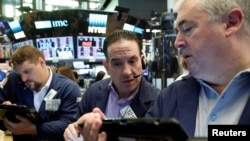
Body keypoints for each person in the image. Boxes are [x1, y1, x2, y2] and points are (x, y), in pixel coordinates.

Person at [65, 0, 250, 140]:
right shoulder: (171, 97)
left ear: (231, 22)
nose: (177, 42)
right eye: (117, 63)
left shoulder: (157, 96)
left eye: (187, 29)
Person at [63, 29, 161, 140]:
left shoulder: (158, 100)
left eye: (132, 61)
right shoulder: (93, 92)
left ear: (142, 61)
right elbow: (76, 126)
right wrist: (72, 131)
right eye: (117, 64)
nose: (127, 72)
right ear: (107, 67)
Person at [0, 45, 82, 141]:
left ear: (41, 62)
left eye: (27, 71)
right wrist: (5, 113)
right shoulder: (13, 80)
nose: (23, 79)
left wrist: (33, 129)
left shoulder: (68, 88)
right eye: (19, 74)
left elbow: (69, 123)